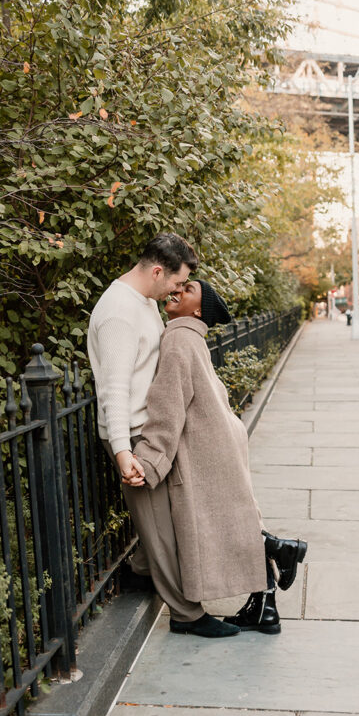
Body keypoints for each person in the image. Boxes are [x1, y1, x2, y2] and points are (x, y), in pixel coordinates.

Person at [129, 279, 307, 635]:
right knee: (235, 516)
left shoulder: (178, 338)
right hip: (220, 439)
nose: (177, 290)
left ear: (198, 309)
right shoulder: (191, 336)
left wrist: (148, 461)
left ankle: (275, 554)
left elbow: (168, 407)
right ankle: (268, 586)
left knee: (218, 523)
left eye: (188, 288)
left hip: (206, 447)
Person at [88, 233, 239, 639]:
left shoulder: (143, 303)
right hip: (135, 436)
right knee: (161, 529)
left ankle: (140, 572)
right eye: (176, 282)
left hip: (148, 429)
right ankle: (187, 616)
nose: (178, 290)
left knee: (160, 520)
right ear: (158, 271)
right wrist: (124, 453)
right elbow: (113, 391)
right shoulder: (120, 312)